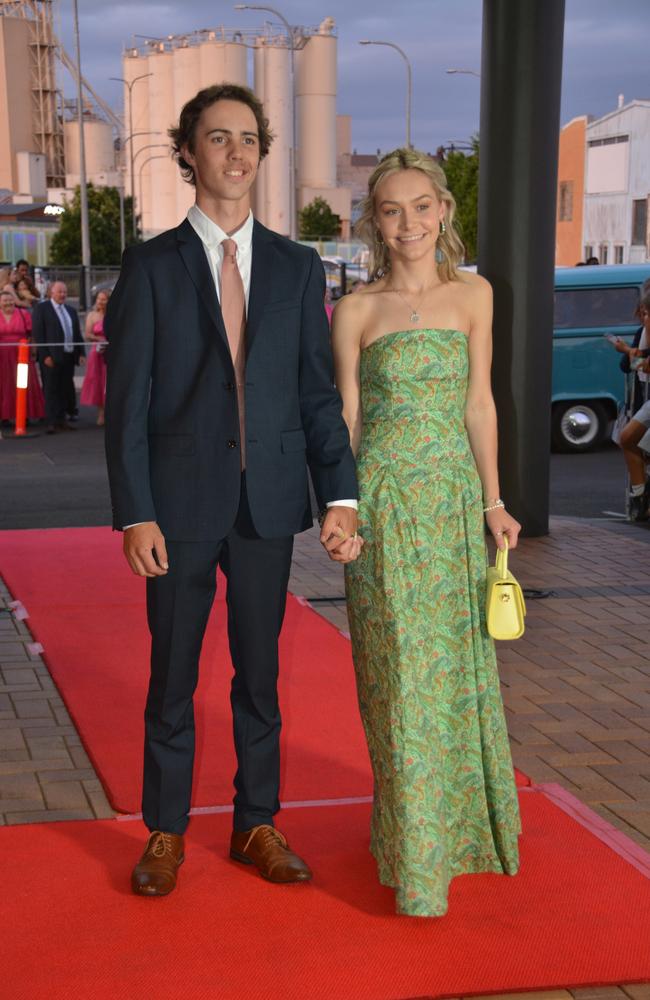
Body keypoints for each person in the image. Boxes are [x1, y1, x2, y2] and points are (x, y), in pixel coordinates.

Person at [104, 83, 359, 898]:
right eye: (219, 138)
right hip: (175, 507)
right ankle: (166, 833)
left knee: (260, 675)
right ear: (188, 152)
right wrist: (135, 510)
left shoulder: (296, 266)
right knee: (172, 674)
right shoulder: (150, 266)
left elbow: (317, 395)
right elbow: (129, 404)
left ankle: (257, 823)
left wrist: (340, 495)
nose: (237, 153)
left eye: (249, 139)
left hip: (268, 504)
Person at [331, 147, 522, 917]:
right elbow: (346, 417)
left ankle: (453, 836)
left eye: (420, 206)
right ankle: (414, 855)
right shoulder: (355, 310)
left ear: (443, 211)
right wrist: (340, 508)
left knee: (452, 680)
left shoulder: (474, 295)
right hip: (382, 508)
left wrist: (494, 503)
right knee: (397, 680)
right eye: (390, 209)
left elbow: (480, 405)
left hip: (450, 510)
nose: (407, 222)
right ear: (373, 221)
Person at [33, 281, 85, 434]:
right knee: (51, 389)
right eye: (60, 292)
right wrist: (45, 355)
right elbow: (39, 333)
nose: (63, 295)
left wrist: (81, 352)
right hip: (51, 357)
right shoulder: (42, 309)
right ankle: (51, 421)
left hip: (68, 355)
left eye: (65, 292)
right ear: (51, 293)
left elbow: (77, 333)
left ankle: (62, 420)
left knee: (65, 389)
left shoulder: (70, 310)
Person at [616, 290, 650, 520]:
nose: (643, 318)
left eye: (646, 313)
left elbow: (642, 365)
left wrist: (628, 351)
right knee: (627, 437)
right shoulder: (643, 334)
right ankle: (641, 495)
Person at [0, 290, 45, 423]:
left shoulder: (23, 314)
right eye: (5, 300)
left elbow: (31, 335)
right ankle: (4, 416)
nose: (8, 302)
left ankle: (24, 414)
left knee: (22, 383)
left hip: (22, 356)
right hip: (2, 357)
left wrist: (33, 351)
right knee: (3, 384)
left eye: (10, 300)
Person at [80, 290, 110, 425]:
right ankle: (101, 413)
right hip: (96, 352)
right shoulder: (92, 315)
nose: (100, 302)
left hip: (111, 351)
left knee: (109, 382)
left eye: (104, 299)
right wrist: (99, 339)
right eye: (99, 299)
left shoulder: (113, 314)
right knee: (97, 382)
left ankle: (111, 413)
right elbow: (87, 334)